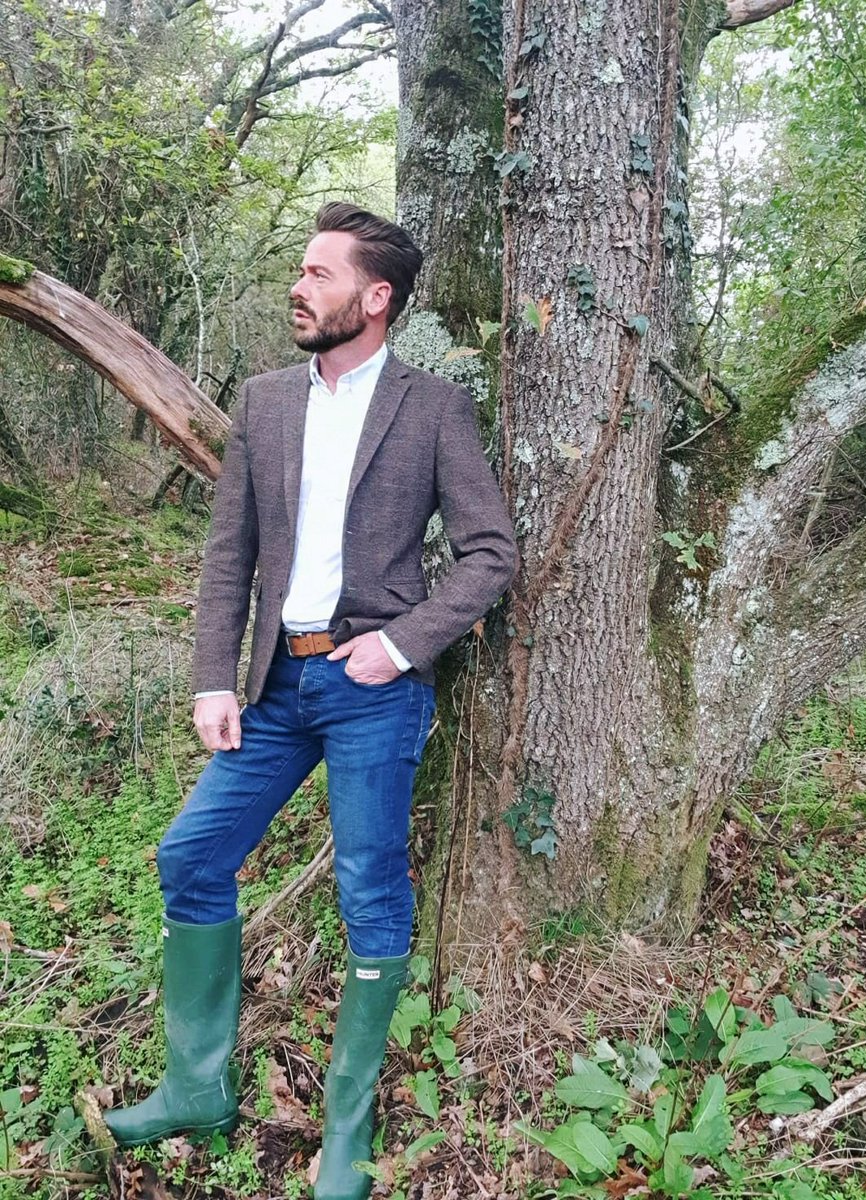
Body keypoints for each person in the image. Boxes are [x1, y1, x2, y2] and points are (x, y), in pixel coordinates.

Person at [104, 202, 518, 1200]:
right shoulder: (265, 402)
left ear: (375, 299)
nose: (299, 287)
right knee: (191, 856)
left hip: (373, 689)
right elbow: (229, 555)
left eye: (319, 274)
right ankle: (197, 1088)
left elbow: (489, 555)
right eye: (300, 270)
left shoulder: (433, 408)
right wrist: (214, 676)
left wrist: (402, 643)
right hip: (275, 687)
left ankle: (347, 1129)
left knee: (370, 890)